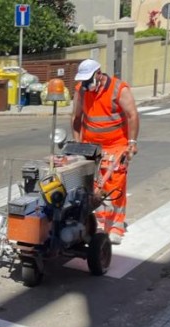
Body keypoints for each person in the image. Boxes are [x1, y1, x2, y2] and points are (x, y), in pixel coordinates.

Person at [71, 59, 140, 245]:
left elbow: (132, 115)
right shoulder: (81, 90)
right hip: (90, 144)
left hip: (116, 144)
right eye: (83, 81)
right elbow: (76, 118)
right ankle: (99, 222)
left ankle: (115, 226)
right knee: (91, 184)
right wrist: (77, 144)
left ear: (98, 74)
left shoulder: (119, 89)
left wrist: (132, 143)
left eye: (88, 80)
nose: (85, 84)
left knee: (114, 183)